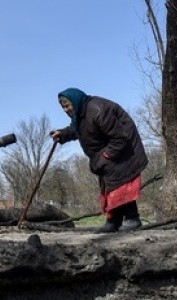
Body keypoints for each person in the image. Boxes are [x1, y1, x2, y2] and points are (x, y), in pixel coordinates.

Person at [50, 88, 148, 232]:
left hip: (125, 150)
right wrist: (63, 134)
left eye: (67, 105)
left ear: (75, 101)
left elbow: (119, 137)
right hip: (109, 152)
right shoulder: (81, 114)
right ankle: (114, 221)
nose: (66, 109)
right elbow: (77, 129)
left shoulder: (97, 110)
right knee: (110, 186)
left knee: (121, 184)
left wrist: (106, 156)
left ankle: (133, 218)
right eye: (63, 107)